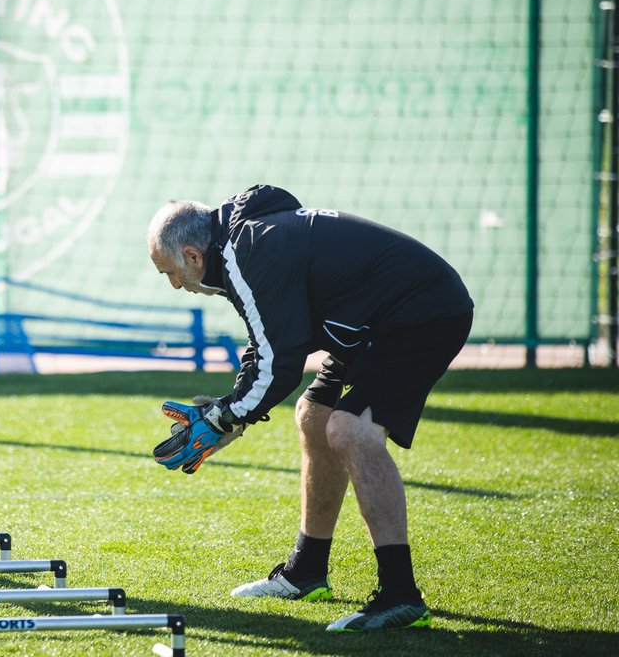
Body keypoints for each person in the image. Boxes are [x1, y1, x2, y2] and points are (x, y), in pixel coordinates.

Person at [146, 184, 473, 632]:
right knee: (314, 418)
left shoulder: (246, 252)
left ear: (192, 255)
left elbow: (280, 364)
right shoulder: (244, 243)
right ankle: (306, 571)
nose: (175, 284)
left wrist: (225, 417)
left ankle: (401, 594)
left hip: (422, 312)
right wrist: (230, 414)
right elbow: (268, 344)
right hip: (378, 317)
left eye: (171, 272)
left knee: (349, 429)